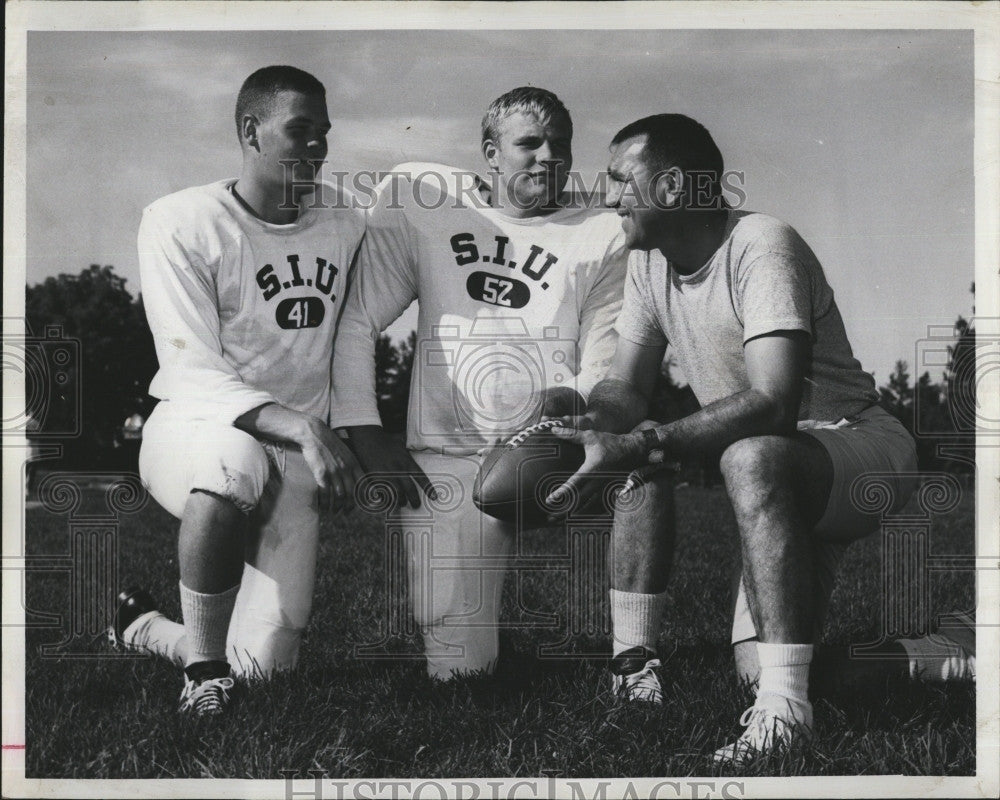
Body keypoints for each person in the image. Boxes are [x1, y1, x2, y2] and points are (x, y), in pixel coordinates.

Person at [546, 114, 919, 762]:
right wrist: (589, 423)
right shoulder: (648, 264)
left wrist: (641, 444)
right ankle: (944, 656)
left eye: (618, 179)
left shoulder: (761, 243)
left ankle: (784, 721)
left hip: (859, 451)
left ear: (667, 188)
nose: (609, 197)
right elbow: (626, 390)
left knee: (747, 456)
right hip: (782, 473)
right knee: (765, 665)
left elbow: (773, 403)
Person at [330, 87, 627, 680]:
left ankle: (640, 659)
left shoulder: (603, 232)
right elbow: (360, 317)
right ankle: (148, 627)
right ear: (491, 152)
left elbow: (604, 365)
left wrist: (558, 409)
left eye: (561, 145)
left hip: (547, 448)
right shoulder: (428, 202)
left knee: (645, 477)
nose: (549, 157)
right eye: (530, 144)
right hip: (447, 452)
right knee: (460, 673)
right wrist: (364, 430)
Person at [109, 66, 365, 716]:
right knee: (233, 463)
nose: (316, 148)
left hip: (294, 452)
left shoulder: (343, 218)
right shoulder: (180, 220)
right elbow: (190, 367)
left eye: (323, 135)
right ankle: (201, 673)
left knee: (268, 664)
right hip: (196, 431)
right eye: (298, 131)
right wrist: (306, 428)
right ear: (250, 131)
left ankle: (140, 628)